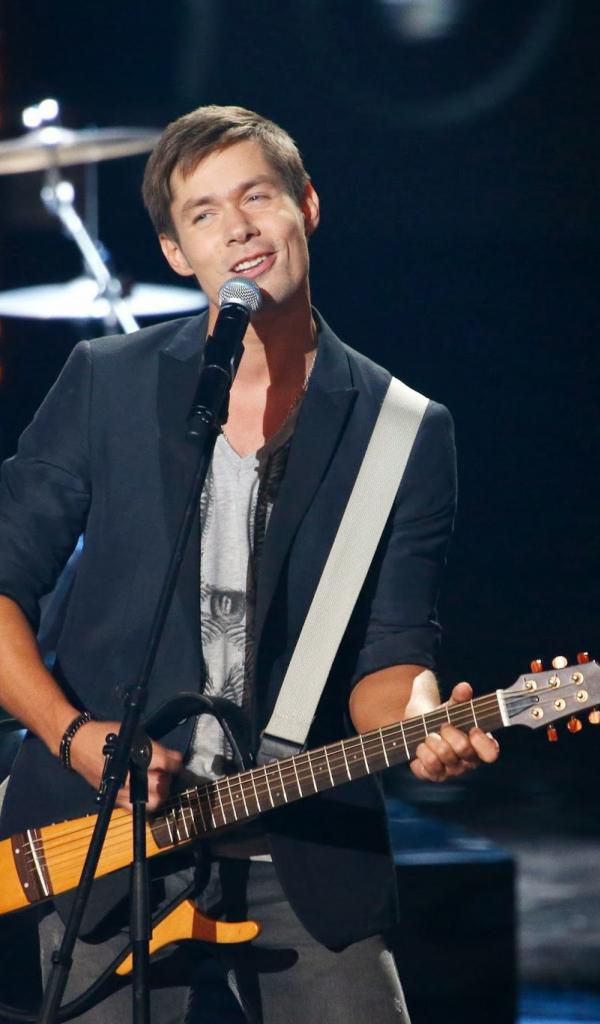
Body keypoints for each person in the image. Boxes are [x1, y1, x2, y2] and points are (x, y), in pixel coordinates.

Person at [0, 105, 499, 1023]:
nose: (236, 227)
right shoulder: (105, 382)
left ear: (306, 205)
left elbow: (392, 654)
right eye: (204, 213)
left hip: (298, 842)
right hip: (105, 838)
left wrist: (425, 724)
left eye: (256, 196)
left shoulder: (404, 429)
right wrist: (75, 737)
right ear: (176, 252)